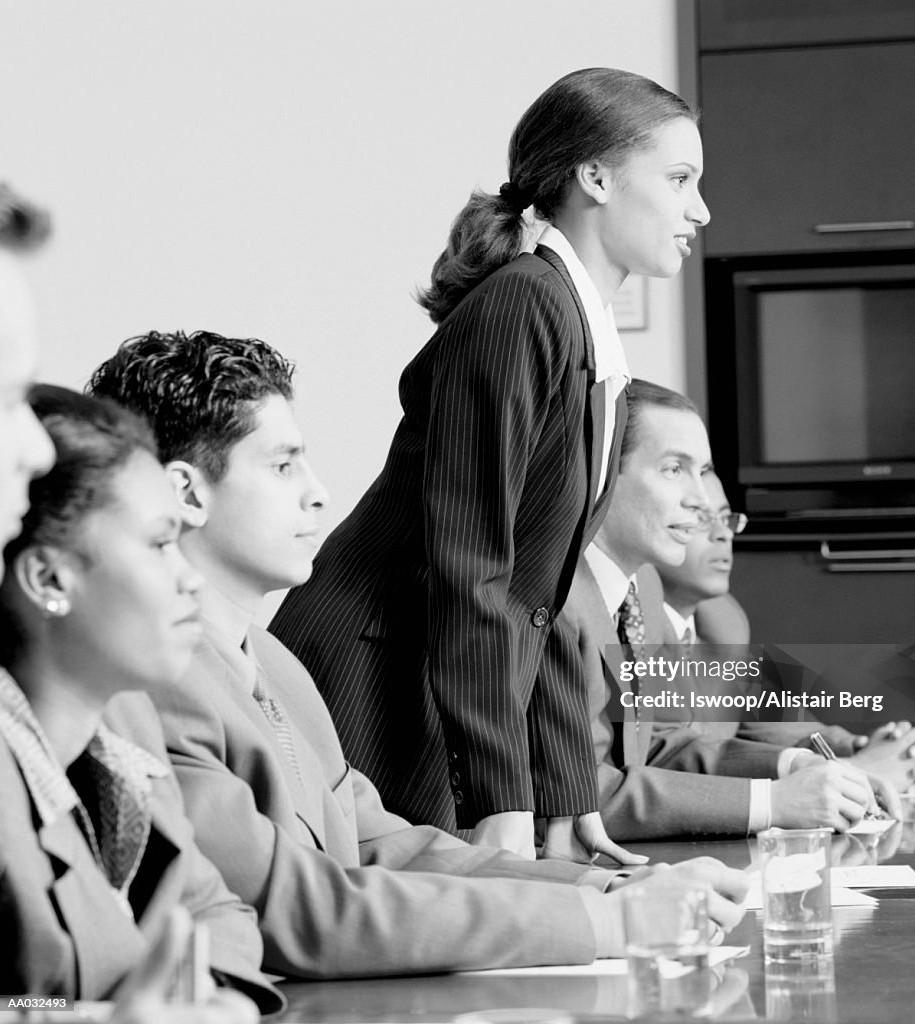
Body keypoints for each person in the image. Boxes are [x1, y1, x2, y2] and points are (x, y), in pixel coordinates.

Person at [88, 329, 749, 978]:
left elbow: (386, 845)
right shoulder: (151, 685)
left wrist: (602, 892)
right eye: (283, 465)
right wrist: (612, 927)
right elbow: (300, 910)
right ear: (187, 493)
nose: (318, 491)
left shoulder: (275, 661)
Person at [268, 67, 710, 858]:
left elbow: (547, 600)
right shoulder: (524, 305)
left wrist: (569, 798)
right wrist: (503, 797)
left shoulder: (584, 335)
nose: (699, 210)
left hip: (436, 686)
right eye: (679, 179)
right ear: (596, 177)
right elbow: (471, 568)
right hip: (380, 683)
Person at [0, 179, 267, 1023]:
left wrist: (202, 994)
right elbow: (313, 904)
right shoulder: (168, 693)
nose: (32, 444)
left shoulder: (137, 719)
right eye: (2, 397)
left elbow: (216, 909)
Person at [562, 379, 902, 839]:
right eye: (673, 469)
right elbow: (579, 797)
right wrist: (773, 801)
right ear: (600, 472)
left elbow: (658, 748)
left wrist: (797, 763)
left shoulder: (646, 590)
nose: (701, 502)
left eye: (702, 471)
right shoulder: (558, 600)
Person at [659, 471, 915, 794]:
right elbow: (669, 762)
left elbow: (768, 714)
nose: (723, 534)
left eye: (726, 518)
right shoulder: (625, 626)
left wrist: (857, 747)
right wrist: (850, 773)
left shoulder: (721, 617)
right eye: (699, 517)